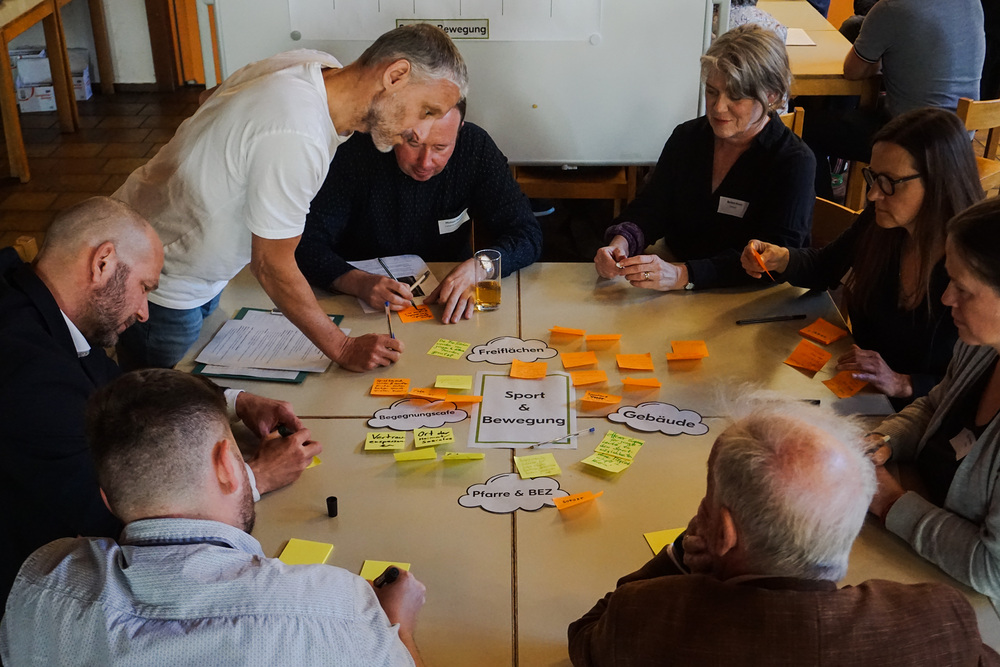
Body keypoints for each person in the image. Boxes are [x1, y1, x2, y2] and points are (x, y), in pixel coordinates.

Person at [0, 197, 319, 610]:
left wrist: (233, 402)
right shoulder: (29, 374)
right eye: (144, 288)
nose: (144, 312)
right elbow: (124, 518)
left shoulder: (32, 302)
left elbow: (122, 389)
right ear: (102, 263)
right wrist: (252, 479)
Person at [0, 369, 424, 666]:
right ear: (226, 465)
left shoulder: (41, 580)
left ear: (107, 500)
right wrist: (398, 626)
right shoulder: (335, 607)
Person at [115, 24, 468, 372]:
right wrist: (343, 347)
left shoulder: (314, 65)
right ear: (395, 76)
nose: (420, 131)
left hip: (193, 267)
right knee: (147, 396)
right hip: (162, 282)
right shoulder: (298, 132)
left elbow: (208, 97)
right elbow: (271, 265)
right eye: (426, 111)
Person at [568, 392, 1000, 666]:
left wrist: (680, 553)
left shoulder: (644, 620)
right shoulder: (938, 620)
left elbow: (586, 637)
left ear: (723, 534)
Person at [742, 108, 984, 407]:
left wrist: (905, 383)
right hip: (861, 393)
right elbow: (825, 267)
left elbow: (979, 383)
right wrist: (782, 258)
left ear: (938, 182)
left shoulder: (977, 263)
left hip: (921, 414)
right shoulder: (881, 223)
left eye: (889, 182)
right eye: (873, 177)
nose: (872, 195)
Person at [594, 24, 814, 291]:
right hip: (679, 278)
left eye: (736, 96)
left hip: (751, 294)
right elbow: (653, 206)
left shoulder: (793, 161)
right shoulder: (688, 137)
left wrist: (684, 274)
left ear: (772, 96)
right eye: (712, 91)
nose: (718, 107)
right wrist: (621, 243)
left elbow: (773, 263)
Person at [296, 100, 542, 324]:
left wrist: (481, 268)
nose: (425, 162)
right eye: (413, 143)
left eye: (440, 147)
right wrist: (356, 282)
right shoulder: (356, 150)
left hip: (446, 304)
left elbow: (527, 233)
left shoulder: (474, 147)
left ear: (458, 131)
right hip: (358, 305)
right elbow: (306, 244)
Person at [868, 196, 1000, 606]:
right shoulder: (981, 346)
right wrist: (882, 441)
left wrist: (889, 501)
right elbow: (934, 406)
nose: (945, 298)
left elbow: (992, 569)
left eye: (963, 289)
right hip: (918, 552)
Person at [803, 0, 984, 198]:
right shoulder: (971, 3)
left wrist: (881, 58)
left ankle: (824, 209)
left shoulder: (891, 8)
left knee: (803, 128)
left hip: (915, 137)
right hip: (960, 135)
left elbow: (853, 71)